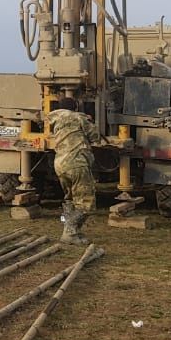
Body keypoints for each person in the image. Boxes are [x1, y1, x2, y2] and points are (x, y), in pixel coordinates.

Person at [46, 97, 106, 245]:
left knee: (69, 200)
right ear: (75, 107)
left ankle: (70, 231)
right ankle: (69, 231)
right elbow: (94, 135)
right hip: (77, 164)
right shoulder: (78, 117)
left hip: (60, 164)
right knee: (86, 204)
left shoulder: (54, 119)